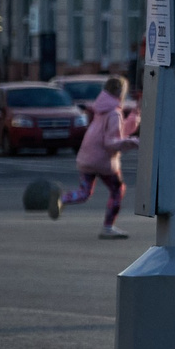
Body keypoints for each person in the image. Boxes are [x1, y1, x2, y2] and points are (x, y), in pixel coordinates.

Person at [62, 74, 140, 239]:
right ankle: (108, 227)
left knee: (84, 193)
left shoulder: (102, 108)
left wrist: (134, 118)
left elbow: (117, 132)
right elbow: (112, 142)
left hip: (87, 156)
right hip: (103, 161)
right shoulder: (114, 113)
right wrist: (133, 142)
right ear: (120, 91)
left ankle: (60, 200)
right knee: (118, 190)